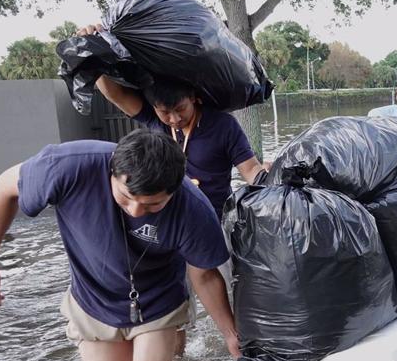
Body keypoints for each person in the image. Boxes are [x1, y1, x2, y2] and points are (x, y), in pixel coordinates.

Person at [0, 129, 239, 361]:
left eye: (154, 204)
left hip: (158, 299)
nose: (138, 211)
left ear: (176, 189)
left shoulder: (193, 209)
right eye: (127, 197)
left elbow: (203, 275)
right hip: (92, 298)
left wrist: (230, 333)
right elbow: (5, 187)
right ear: (112, 172)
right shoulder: (67, 167)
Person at [76, 24, 266, 219]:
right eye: (165, 112)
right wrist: (93, 51)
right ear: (154, 107)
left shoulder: (223, 125)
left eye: (180, 109)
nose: (174, 119)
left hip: (213, 218)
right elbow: (116, 95)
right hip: (169, 220)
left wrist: (270, 181)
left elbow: (250, 168)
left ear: (193, 97)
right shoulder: (152, 119)